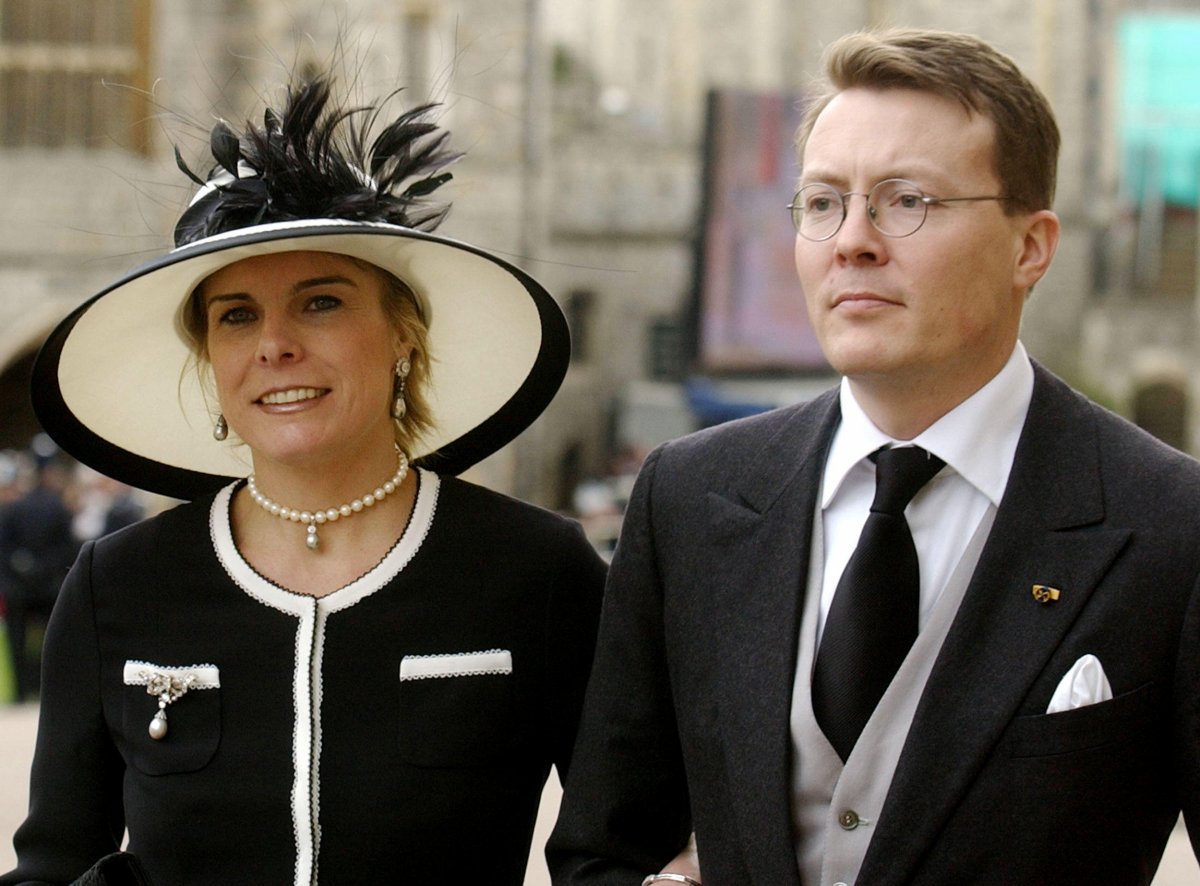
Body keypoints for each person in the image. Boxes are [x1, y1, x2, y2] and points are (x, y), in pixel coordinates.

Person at [548, 27, 1200, 886]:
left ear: (1031, 247)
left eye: (907, 201)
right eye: (823, 203)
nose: (852, 240)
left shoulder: (1171, 527)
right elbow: (604, 846)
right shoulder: (692, 496)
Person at [2, 72, 605, 885]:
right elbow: (53, 861)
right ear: (210, 359)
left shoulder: (540, 572)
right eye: (237, 315)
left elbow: (613, 849)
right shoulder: (120, 586)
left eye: (321, 302)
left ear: (403, 335)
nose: (274, 346)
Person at [0, 442, 80, 702]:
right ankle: (52, 691)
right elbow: (68, 551)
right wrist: (44, 569)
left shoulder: (14, 509)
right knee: (56, 642)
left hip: (20, 586)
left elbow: (5, 550)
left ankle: (22, 691)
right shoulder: (59, 509)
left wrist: (25, 567)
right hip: (51, 586)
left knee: (18, 643)